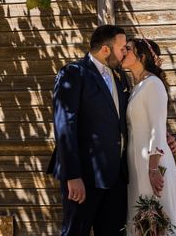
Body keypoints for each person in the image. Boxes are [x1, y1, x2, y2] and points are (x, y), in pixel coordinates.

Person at [47, 24, 130, 235]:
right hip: (83, 177)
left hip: (116, 177)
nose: (125, 53)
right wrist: (72, 176)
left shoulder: (121, 78)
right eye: (122, 48)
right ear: (105, 49)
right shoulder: (73, 73)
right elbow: (64, 124)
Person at [122, 38, 176, 236]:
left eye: (128, 49)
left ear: (142, 56)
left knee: (160, 224)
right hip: (137, 165)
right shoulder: (136, 87)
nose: (124, 51)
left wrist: (153, 168)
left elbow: (157, 128)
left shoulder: (153, 84)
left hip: (153, 165)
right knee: (141, 225)